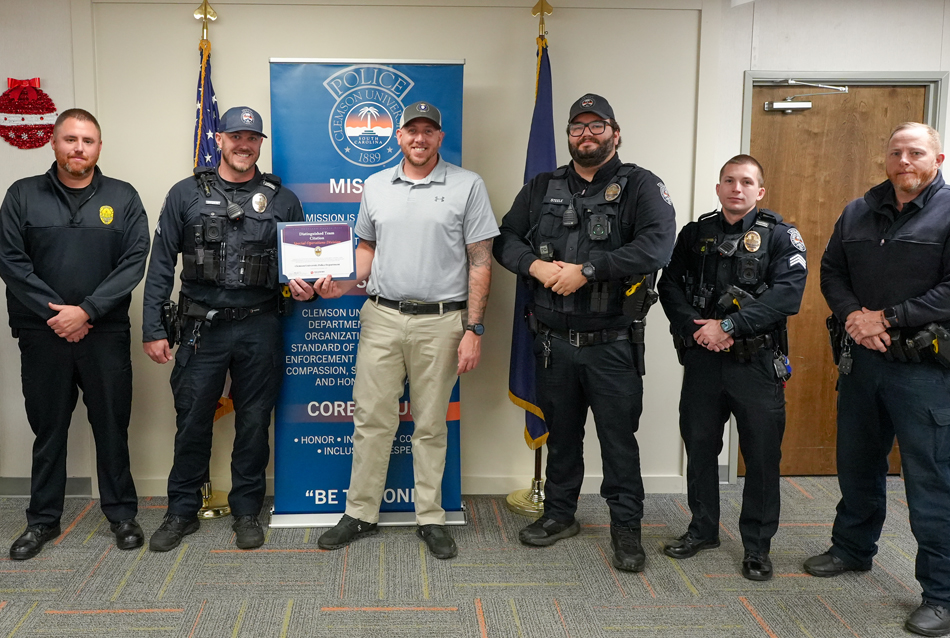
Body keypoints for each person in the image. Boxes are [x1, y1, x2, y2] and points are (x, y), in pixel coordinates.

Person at [806, 122, 950, 637]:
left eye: (916, 152)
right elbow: (831, 272)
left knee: (930, 483)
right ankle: (852, 548)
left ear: (937, 158)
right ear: (885, 159)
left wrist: (884, 318)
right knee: (858, 466)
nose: (904, 161)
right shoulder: (857, 212)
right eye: (896, 152)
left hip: (928, 373)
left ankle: (945, 595)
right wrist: (854, 319)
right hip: (864, 363)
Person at [494, 93, 675, 572]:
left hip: (612, 343)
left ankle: (626, 529)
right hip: (552, 342)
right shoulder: (541, 186)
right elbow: (504, 239)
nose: (587, 135)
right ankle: (559, 515)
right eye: (578, 127)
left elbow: (656, 247)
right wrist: (533, 265)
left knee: (618, 441)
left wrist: (588, 272)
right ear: (569, 135)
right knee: (563, 437)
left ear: (615, 134)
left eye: (597, 127)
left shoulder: (641, 186)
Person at [314, 101, 497, 560]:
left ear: (439, 137)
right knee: (372, 419)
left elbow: (480, 260)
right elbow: (367, 249)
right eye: (411, 130)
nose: (419, 138)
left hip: (442, 321)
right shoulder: (376, 186)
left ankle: (430, 518)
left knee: (431, 424)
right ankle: (360, 513)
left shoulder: (467, 185)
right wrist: (341, 284)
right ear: (399, 136)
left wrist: (474, 327)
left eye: (428, 131)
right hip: (381, 317)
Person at [142, 106, 312, 552]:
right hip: (202, 328)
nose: (243, 144)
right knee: (192, 420)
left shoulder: (283, 199)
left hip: (260, 325)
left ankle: (246, 511)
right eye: (235, 136)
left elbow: (304, 264)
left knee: (254, 423)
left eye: (252, 138)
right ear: (219, 139)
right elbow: (161, 264)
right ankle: (181, 510)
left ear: (260, 145)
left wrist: (309, 286)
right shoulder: (185, 194)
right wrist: (152, 329)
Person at [0, 109, 150, 560]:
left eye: (87, 140)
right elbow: (12, 263)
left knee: (111, 428)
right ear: (53, 143)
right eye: (69, 139)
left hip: (104, 335)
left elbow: (134, 261)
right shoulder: (23, 195)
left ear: (99, 147)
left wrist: (86, 311)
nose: (78, 148)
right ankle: (42, 521)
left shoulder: (123, 197)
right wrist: (59, 316)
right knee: (49, 430)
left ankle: (122, 515)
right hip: (42, 335)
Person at [658, 155, 807, 581]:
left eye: (746, 182)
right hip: (704, 359)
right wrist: (696, 328)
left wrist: (728, 325)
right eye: (728, 181)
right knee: (700, 446)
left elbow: (787, 296)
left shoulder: (782, 236)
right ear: (719, 187)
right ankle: (702, 529)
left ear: (760, 191)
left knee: (761, 456)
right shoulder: (695, 233)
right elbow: (668, 286)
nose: (736, 188)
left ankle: (757, 547)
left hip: (756, 363)